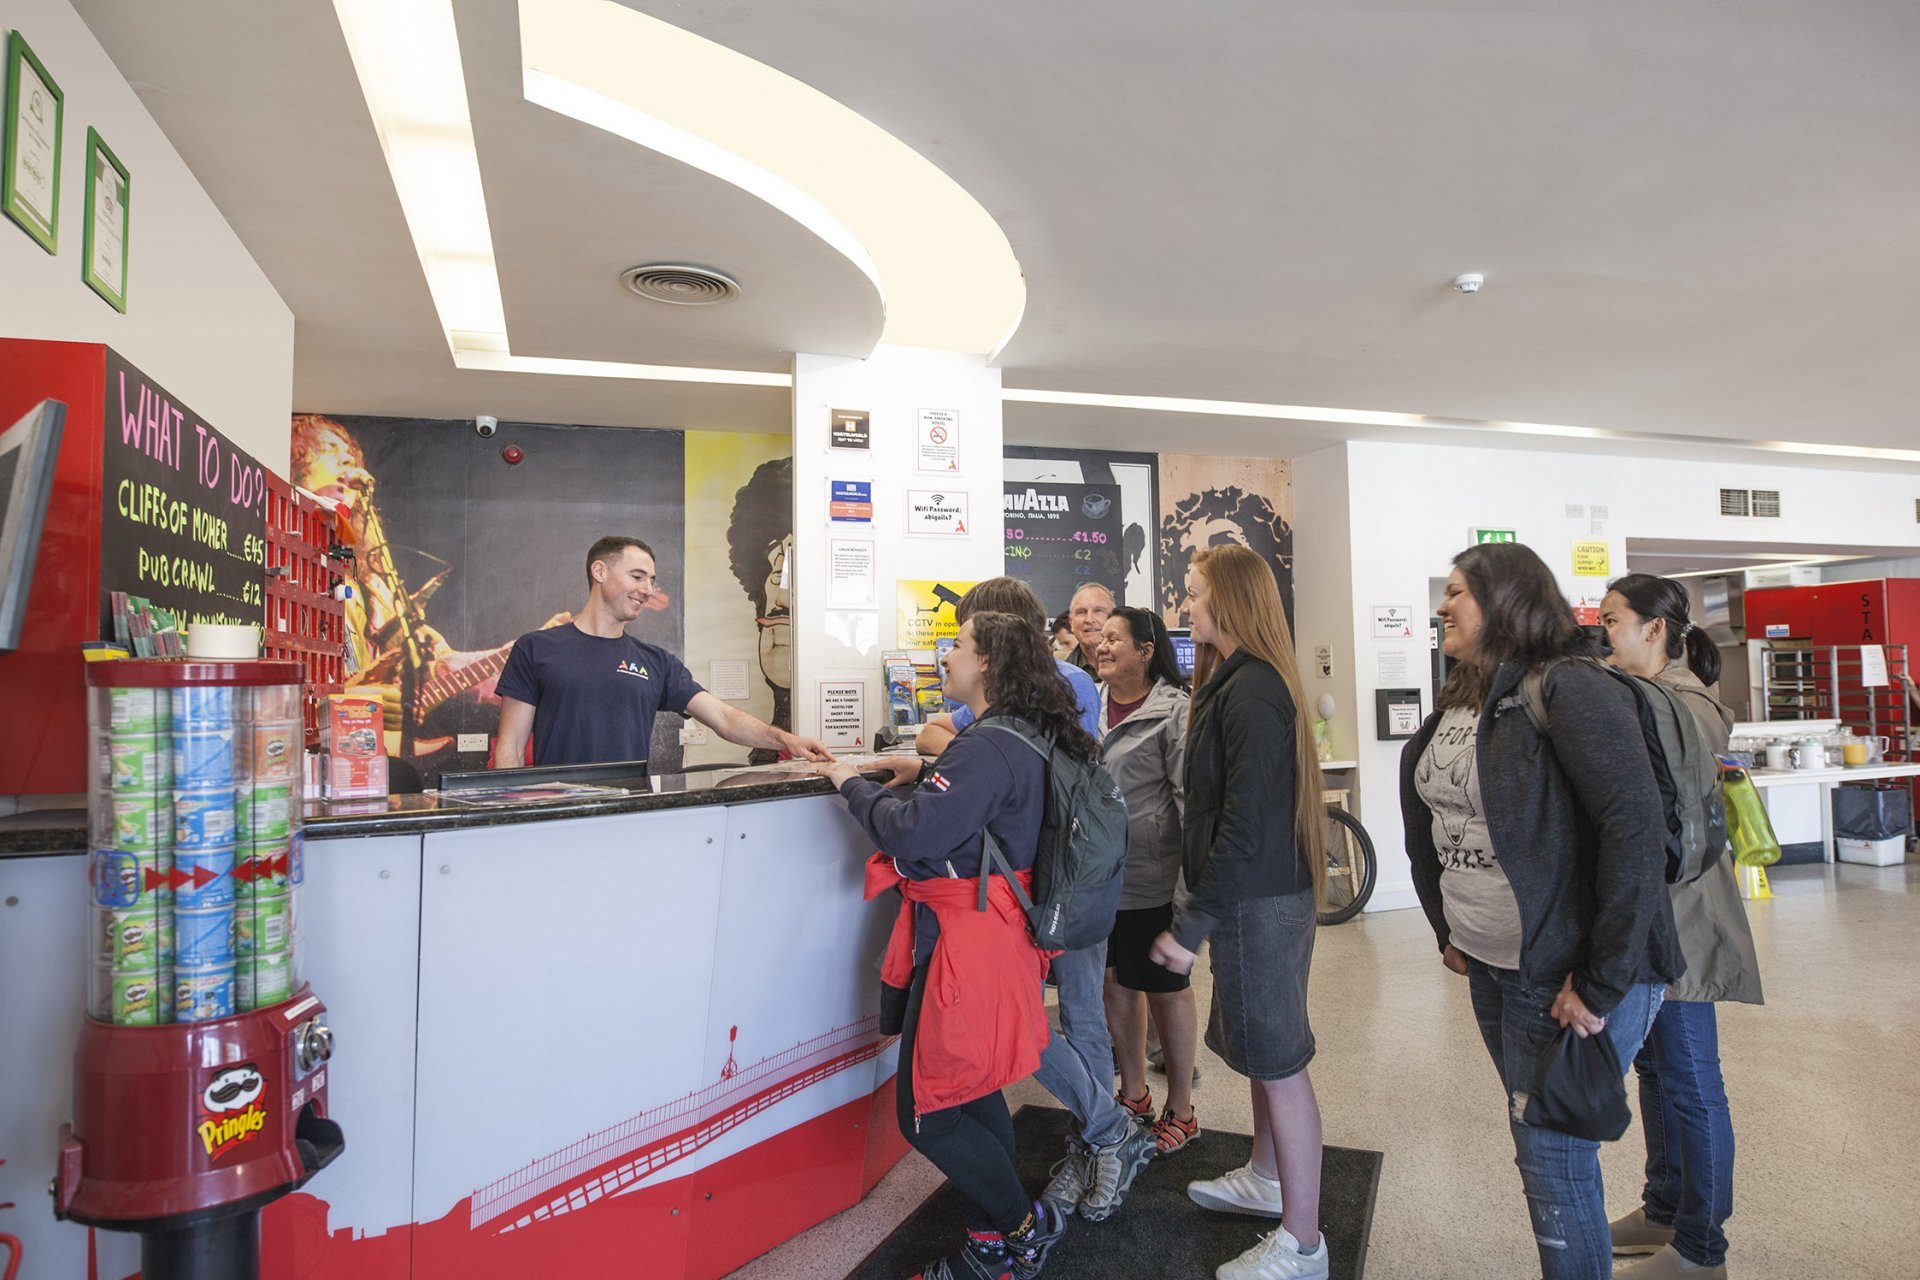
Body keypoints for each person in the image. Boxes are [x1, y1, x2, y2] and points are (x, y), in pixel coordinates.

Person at [1402, 542, 1683, 1280]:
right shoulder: (1469, 693)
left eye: (1457, 591)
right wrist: (1448, 925)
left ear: (1504, 600)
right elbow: (1437, 820)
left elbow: (1634, 828)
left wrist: (1600, 979)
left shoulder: (1570, 689)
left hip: (1564, 971)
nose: (1442, 606)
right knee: (1537, 1137)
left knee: (1552, 1154)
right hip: (1493, 963)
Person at [818, 613, 1083, 1280]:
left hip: (969, 944)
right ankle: (994, 1234)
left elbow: (913, 833)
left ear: (988, 662)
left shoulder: (987, 748)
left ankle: (1024, 1229)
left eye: (958, 646)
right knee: (973, 1088)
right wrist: (930, 767)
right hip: (997, 939)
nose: (946, 655)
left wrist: (849, 786)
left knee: (929, 1114)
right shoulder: (1017, 738)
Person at [917, 578, 1153, 1223]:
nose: (962, 652)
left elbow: (965, 748)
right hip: (1043, 878)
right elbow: (936, 739)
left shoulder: (1060, 687)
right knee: (1052, 1016)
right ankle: (1099, 1137)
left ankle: (1102, 1137)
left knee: (1066, 1016)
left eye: (971, 636)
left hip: (1060, 879)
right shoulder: (1040, 693)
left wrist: (956, 745)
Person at [1149, 544, 1331, 1280]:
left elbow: (1244, 822)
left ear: (1227, 599)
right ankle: (1264, 1175)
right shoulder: (1234, 681)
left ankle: (1305, 1243)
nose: (1185, 608)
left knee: (1280, 1063)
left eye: (1193, 594)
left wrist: (1190, 928)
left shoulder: (1254, 690)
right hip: (1252, 899)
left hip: (1259, 899)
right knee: (1259, 1050)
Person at [1601, 575, 1763, 1280]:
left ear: (1655, 629)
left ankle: (1703, 1249)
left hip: (1687, 921)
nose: (1604, 634)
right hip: (1653, 919)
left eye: (1613, 621)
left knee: (1694, 1081)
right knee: (1656, 1068)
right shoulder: (1646, 696)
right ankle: (1665, 1206)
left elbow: (1673, 827)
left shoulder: (1683, 705)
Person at [493, 536, 831, 768]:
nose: (647, 590)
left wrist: (786, 739)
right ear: (600, 571)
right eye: (637, 576)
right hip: (558, 817)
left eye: (651, 580)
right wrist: (516, 816)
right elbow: (510, 747)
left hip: (631, 817)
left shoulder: (655, 662)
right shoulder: (536, 648)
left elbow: (725, 719)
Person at [1093, 606, 1199, 1155]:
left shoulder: (1173, 712)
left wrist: (1188, 896)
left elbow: (1189, 802)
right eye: (1099, 638)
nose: (1101, 645)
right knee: (1115, 984)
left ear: (1146, 650)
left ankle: (1181, 1107)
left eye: (1114, 638)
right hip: (1096, 877)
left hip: (1152, 876)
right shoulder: (1087, 706)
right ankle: (1133, 1094)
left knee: (1164, 991)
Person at [917, 580, 1100, 756]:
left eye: (971, 634)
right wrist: (971, 751)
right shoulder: (999, 689)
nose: (948, 657)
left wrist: (976, 753)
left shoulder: (1070, 683)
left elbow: (1070, 771)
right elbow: (929, 734)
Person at [1065, 582, 1115, 676]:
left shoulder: (1134, 666)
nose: (1089, 620)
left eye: (1098, 611)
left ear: (1113, 618)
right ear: (1071, 622)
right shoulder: (1056, 674)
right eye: (1081, 612)